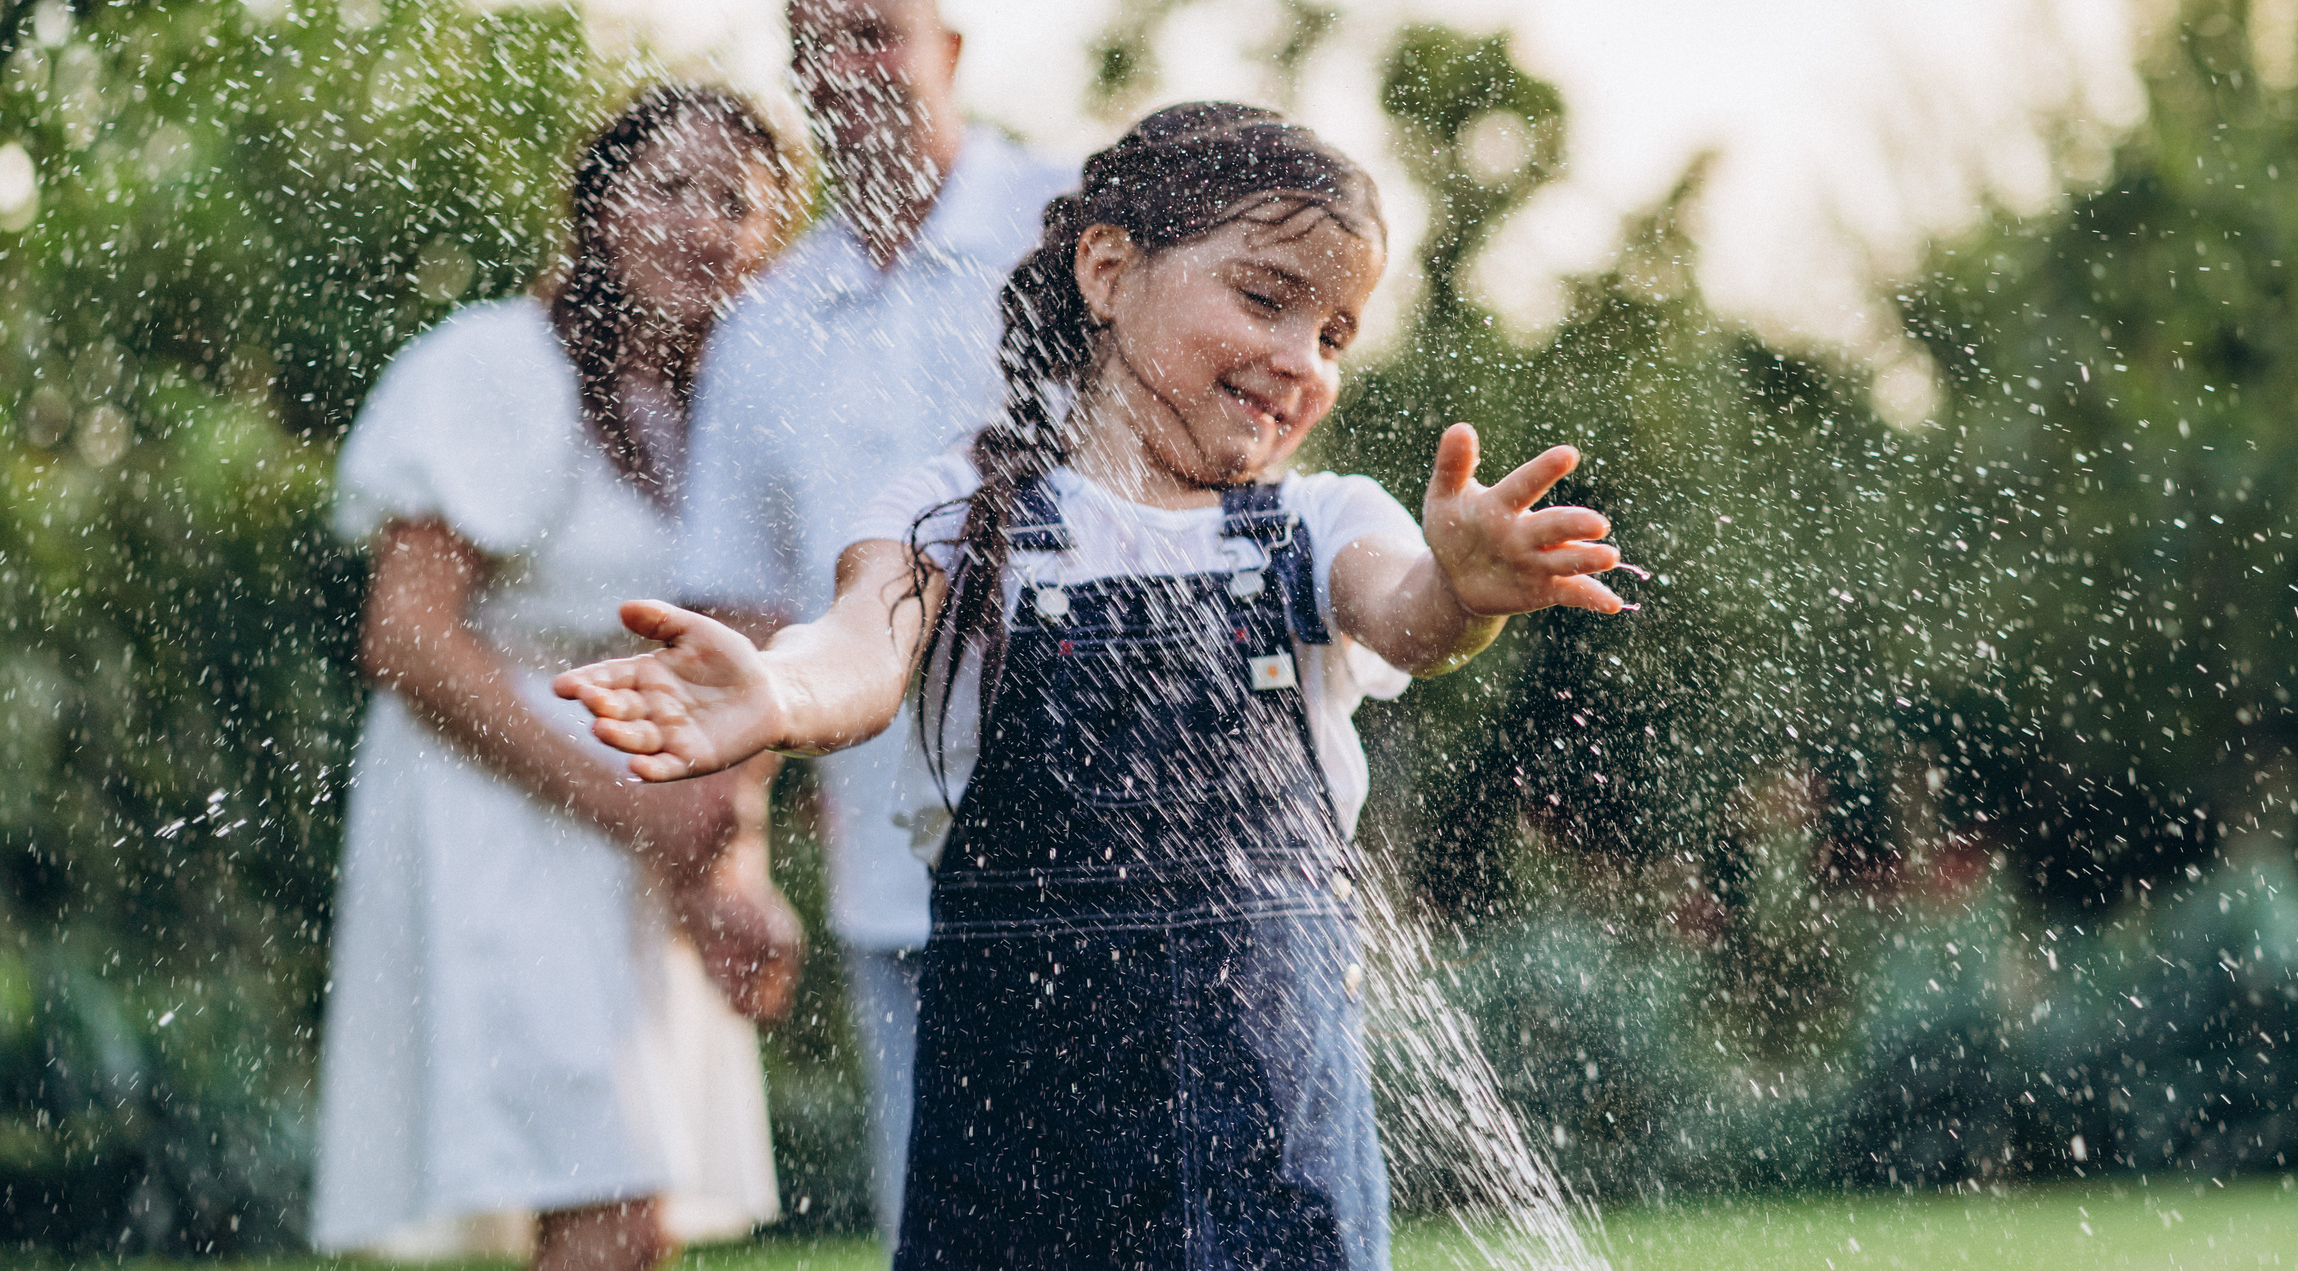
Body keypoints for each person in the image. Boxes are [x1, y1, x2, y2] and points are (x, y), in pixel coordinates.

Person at [560, 103, 1630, 1269]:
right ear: (1110, 270)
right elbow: (861, 648)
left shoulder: (1319, 524)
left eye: (1334, 334)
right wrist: (774, 692)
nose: (1298, 360)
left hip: (1270, 1115)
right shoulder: (957, 515)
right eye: (1265, 299)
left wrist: (1462, 590)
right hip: (1022, 1125)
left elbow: (1405, 616)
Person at [312, 85, 802, 1270]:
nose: (701, 224)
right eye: (669, 187)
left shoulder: (723, 412)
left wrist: (725, 866)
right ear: (598, 207)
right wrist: (642, 813)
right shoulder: (495, 362)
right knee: (604, 1197)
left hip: (650, 818)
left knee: (640, 1221)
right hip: (504, 809)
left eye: (733, 203)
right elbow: (410, 638)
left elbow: (745, 656)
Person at [676, 0, 1073, 1240]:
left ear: (946, 51)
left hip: (1122, 847)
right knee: (944, 1228)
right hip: (903, 865)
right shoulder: (763, 328)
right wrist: (729, 851)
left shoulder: (1074, 225)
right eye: (818, 47)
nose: (847, 68)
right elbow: (735, 616)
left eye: (874, 34)